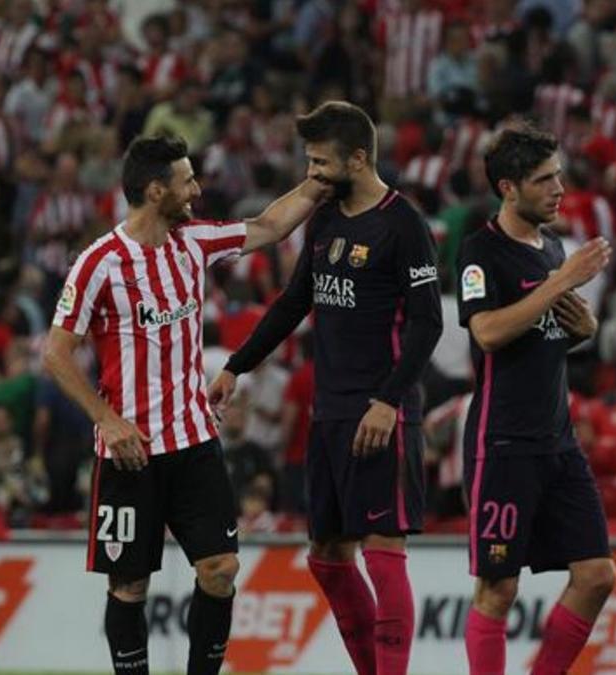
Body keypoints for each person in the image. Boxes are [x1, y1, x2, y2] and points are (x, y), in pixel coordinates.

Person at [41, 133, 327, 674]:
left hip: (195, 440)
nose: (196, 189)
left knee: (220, 568)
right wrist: (107, 420)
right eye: (186, 180)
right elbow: (55, 354)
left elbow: (269, 225)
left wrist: (322, 178)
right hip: (130, 451)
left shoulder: (193, 241)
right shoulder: (98, 264)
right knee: (129, 585)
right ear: (155, 191)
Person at [210, 101, 444, 675]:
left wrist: (389, 401)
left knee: (384, 554)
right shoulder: (325, 219)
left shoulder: (403, 223)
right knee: (327, 558)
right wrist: (237, 366)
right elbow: (295, 302)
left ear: (358, 159)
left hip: (379, 410)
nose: (311, 174)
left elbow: (428, 322)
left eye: (320, 163)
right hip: (329, 412)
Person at [456, 124, 616, 675]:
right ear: (508, 187)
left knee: (598, 575)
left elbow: (545, 329)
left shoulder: (550, 247)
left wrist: (584, 326)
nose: (558, 189)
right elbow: (489, 333)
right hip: (502, 442)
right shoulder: (481, 251)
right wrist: (561, 282)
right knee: (498, 589)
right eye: (544, 179)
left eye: (559, 176)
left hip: (558, 440)